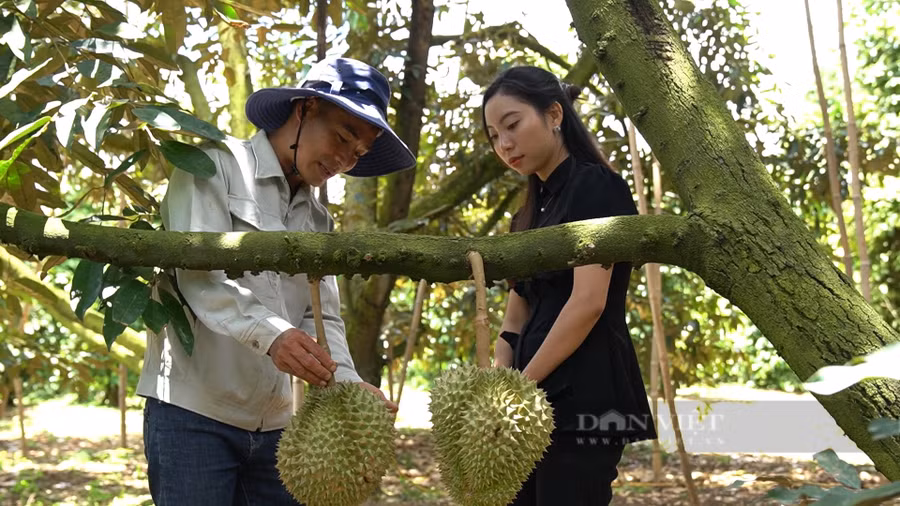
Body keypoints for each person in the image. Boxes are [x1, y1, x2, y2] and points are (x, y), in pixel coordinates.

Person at [137, 57, 415, 505]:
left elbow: (320, 316)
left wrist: (345, 379)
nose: (344, 159)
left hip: (278, 427)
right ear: (304, 109)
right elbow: (199, 277)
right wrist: (273, 336)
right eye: (343, 137)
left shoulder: (318, 220)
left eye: (358, 154)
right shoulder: (212, 167)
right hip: (194, 413)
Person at [482, 66, 657, 505]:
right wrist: (501, 382)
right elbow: (517, 309)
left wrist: (522, 386)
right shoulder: (528, 213)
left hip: (585, 395)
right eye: (493, 136)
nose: (504, 144)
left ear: (554, 114)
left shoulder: (596, 188)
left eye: (513, 125)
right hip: (528, 394)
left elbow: (588, 303)